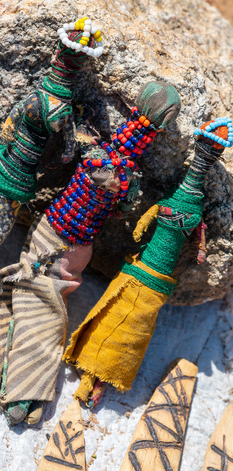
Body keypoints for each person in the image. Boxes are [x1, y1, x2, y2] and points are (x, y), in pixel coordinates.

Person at [0, 81, 182, 424]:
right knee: (41, 311)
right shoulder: (102, 165)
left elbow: (115, 191)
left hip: (69, 252)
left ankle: (25, 388)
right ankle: (21, 389)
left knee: (49, 315)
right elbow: (103, 178)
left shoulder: (114, 170)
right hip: (54, 242)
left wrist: (118, 191)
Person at [0, 17, 104, 317]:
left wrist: (11, 149)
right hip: (20, 181)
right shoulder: (65, 113)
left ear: (55, 58)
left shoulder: (32, 101)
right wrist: (45, 164)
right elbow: (66, 155)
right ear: (76, 70)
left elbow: (7, 131)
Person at [63, 117, 233, 407]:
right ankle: (95, 375)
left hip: (146, 274)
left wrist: (143, 227)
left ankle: (96, 375)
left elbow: (150, 220)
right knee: (124, 324)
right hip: (151, 277)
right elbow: (198, 246)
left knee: (124, 322)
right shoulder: (189, 213)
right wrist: (199, 252)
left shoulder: (180, 208)